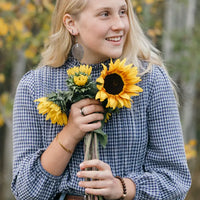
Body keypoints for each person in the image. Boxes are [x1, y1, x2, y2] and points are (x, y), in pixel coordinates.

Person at [11, 0, 191, 199]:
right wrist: (70, 133)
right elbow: (26, 193)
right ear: (71, 24)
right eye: (105, 14)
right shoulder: (34, 87)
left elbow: (176, 180)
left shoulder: (149, 80)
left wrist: (122, 187)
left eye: (123, 12)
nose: (120, 24)